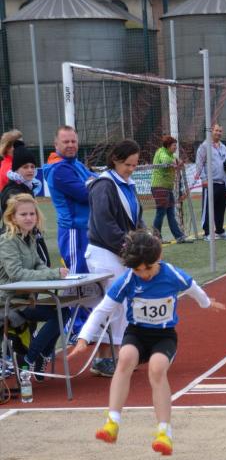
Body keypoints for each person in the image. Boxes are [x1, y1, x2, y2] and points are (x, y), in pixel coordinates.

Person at [68, 229, 226, 456]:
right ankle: (112, 422)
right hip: (137, 333)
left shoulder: (172, 274)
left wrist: (206, 304)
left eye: (148, 268)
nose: (143, 274)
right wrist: (84, 337)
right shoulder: (128, 280)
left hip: (163, 335)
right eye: (137, 270)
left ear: (158, 257)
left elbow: (193, 288)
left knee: (157, 369)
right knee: (124, 359)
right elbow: (103, 309)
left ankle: (164, 433)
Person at [86, 139, 144, 377]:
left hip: (121, 251)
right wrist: (130, 248)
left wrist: (146, 239)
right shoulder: (104, 185)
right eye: (127, 164)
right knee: (112, 304)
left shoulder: (127, 184)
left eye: (134, 165)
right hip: (105, 252)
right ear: (115, 160)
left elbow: (135, 218)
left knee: (123, 304)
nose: (131, 169)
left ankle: (116, 354)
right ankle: (103, 358)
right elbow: (105, 224)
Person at [0, 194, 69, 381]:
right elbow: (16, 274)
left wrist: (53, 273)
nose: (29, 218)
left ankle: (39, 357)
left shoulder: (29, 237)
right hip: (8, 302)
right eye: (23, 214)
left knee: (64, 311)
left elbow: (39, 264)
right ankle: (31, 358)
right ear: (12, 217)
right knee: (58, 313)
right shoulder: (7, 240)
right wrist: (53, 274)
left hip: (24, 299)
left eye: (32, 214)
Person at [43, 126, 94, 277]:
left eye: (73, 141)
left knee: (91, 275)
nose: (71, 145)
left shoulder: (76, 164)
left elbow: (100, 184)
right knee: (78, 276)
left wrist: (92, 183)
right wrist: (91, 183)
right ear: (56, 145)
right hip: (74, 231)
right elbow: (86, 194)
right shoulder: (59, 169)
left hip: (87, 228)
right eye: (66, 142)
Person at [0, 142, 50, 266]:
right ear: (16, 169)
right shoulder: (13, 191)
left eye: (32, 166)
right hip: (17, 241)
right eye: (25, 167)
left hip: (26, 237)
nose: (30, 170)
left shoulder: (26, 186)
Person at [194, 123, 226, 241]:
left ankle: (220, 231)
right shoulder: (204, 146)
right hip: (210, 183)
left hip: (222, 182)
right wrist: (204, 179)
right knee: (208, 209)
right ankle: (207, 233)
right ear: (211, 131)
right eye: (216, 130)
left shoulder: (223, 146)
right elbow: (199, 163)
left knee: (221, 208)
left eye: (220, 131)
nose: (218, 133)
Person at [150, 135, 185, 244]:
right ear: (168, 146)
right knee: (161, 212)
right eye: (174, 145)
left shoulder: (171, 154)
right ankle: (156, 238)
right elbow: (165, 161)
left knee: (170, 212)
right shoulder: (162, 152)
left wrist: (178, 162)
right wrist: (175, 162)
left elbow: (177, 161)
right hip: (159, 187)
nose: (176, 147)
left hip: (167, 188)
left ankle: (179, 236)